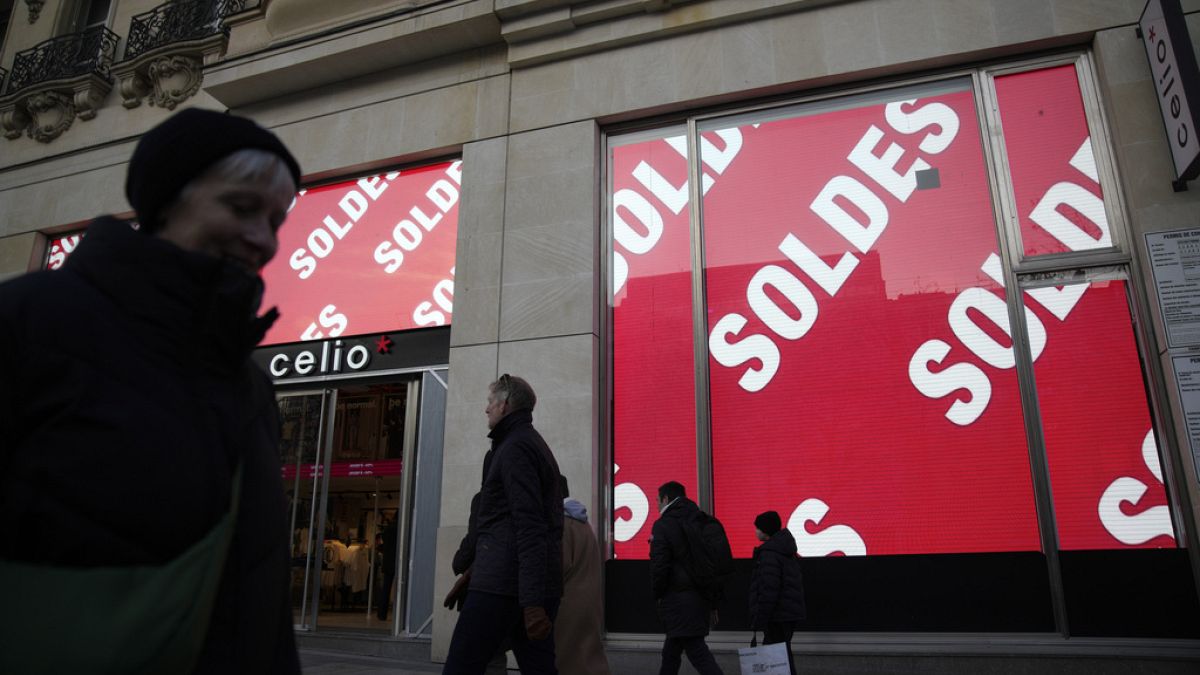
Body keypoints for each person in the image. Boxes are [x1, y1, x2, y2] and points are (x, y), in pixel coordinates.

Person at [0, 108, 302, 673]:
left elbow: (257, 595)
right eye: (240, 207)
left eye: (276, 220)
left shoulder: (250, 385)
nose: (263, 239)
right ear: (166, 201)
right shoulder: (28, 325)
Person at [443, 374, 564, 675]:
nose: (486, 409)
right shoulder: (526, 444)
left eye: (490, 403)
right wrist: (475, 571)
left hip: (503, 588)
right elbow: (510, 526)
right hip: (516, 582)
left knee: (461, 666)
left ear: (505, 405)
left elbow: (529, 525)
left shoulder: (515, 448)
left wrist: (533, 602)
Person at [650, 481, 724, 675]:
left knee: (697, 652)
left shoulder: (663, 525)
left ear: (666, 499)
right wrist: (713, 601)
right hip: (699, 599)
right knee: (671, 653)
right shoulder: (700, 520)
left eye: (657, 500)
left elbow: (660, 566)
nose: (656, 504)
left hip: (677, 601)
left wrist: (657, 593)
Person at [555, 475, 611, 675]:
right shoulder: (582, 523)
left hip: (566, 606)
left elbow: (555, 570)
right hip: (588, 603)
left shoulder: (561, 524)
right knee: (588, 658)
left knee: (568, 661)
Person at [748, 511, 805, 675]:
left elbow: (768, 589)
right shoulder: (785, 551)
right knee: (782, 655)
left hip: (776, 616)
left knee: (776, 657)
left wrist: (760, 618)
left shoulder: (769, 554)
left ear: (765, 531)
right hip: (787, 614)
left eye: (758, 528)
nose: (755, 531)